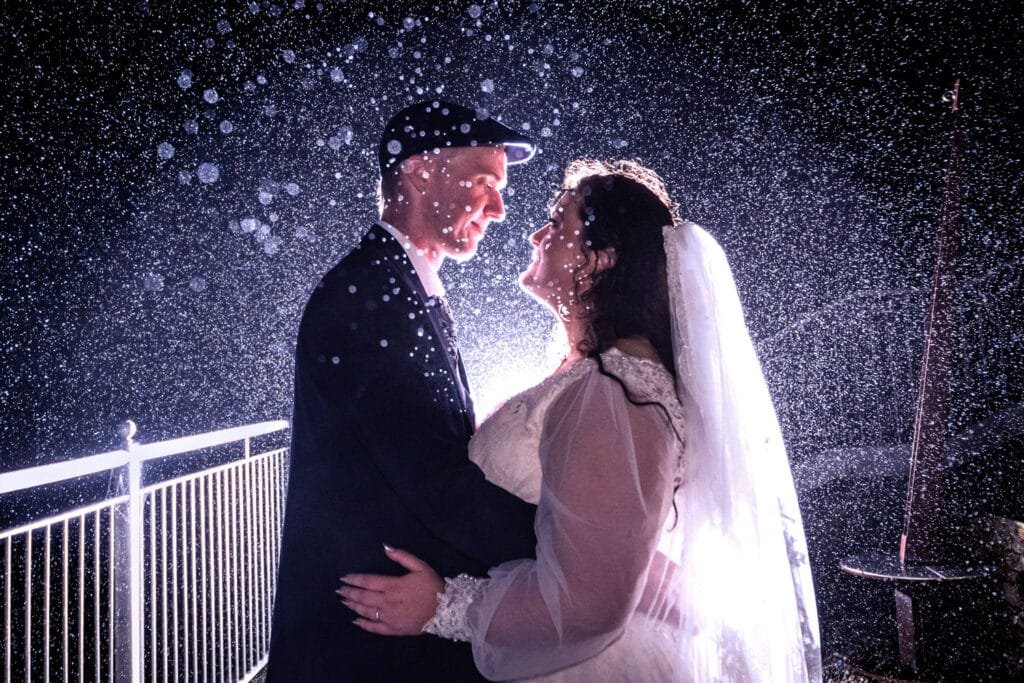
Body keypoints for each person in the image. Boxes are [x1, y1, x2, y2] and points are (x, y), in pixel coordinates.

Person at [338, 160, 823, 681]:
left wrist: (442, 608)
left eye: (560, 222)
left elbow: (588, 605)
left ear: (600, 260)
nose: (538, 234)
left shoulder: (617, 393)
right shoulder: (594, 374)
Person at [266, 101, 541, 682]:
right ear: (421, 171)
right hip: (366, 639)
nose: (497, 208)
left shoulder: (398, 287)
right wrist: (565, 544)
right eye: (485, 183)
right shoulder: (369, 296)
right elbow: (435, 480)